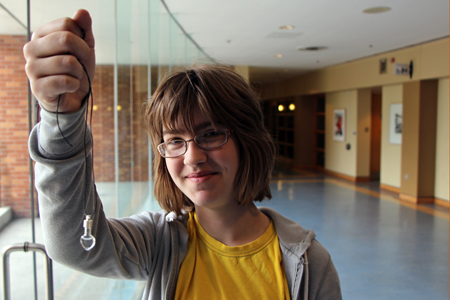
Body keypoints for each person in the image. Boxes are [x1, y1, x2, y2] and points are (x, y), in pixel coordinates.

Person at [24, 9, 341, 300]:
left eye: (211, 133)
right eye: (174, 140)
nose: (192, 157)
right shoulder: (156, 243)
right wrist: (61, 119)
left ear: (249, 140)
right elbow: (74, 245)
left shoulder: (308, 263)